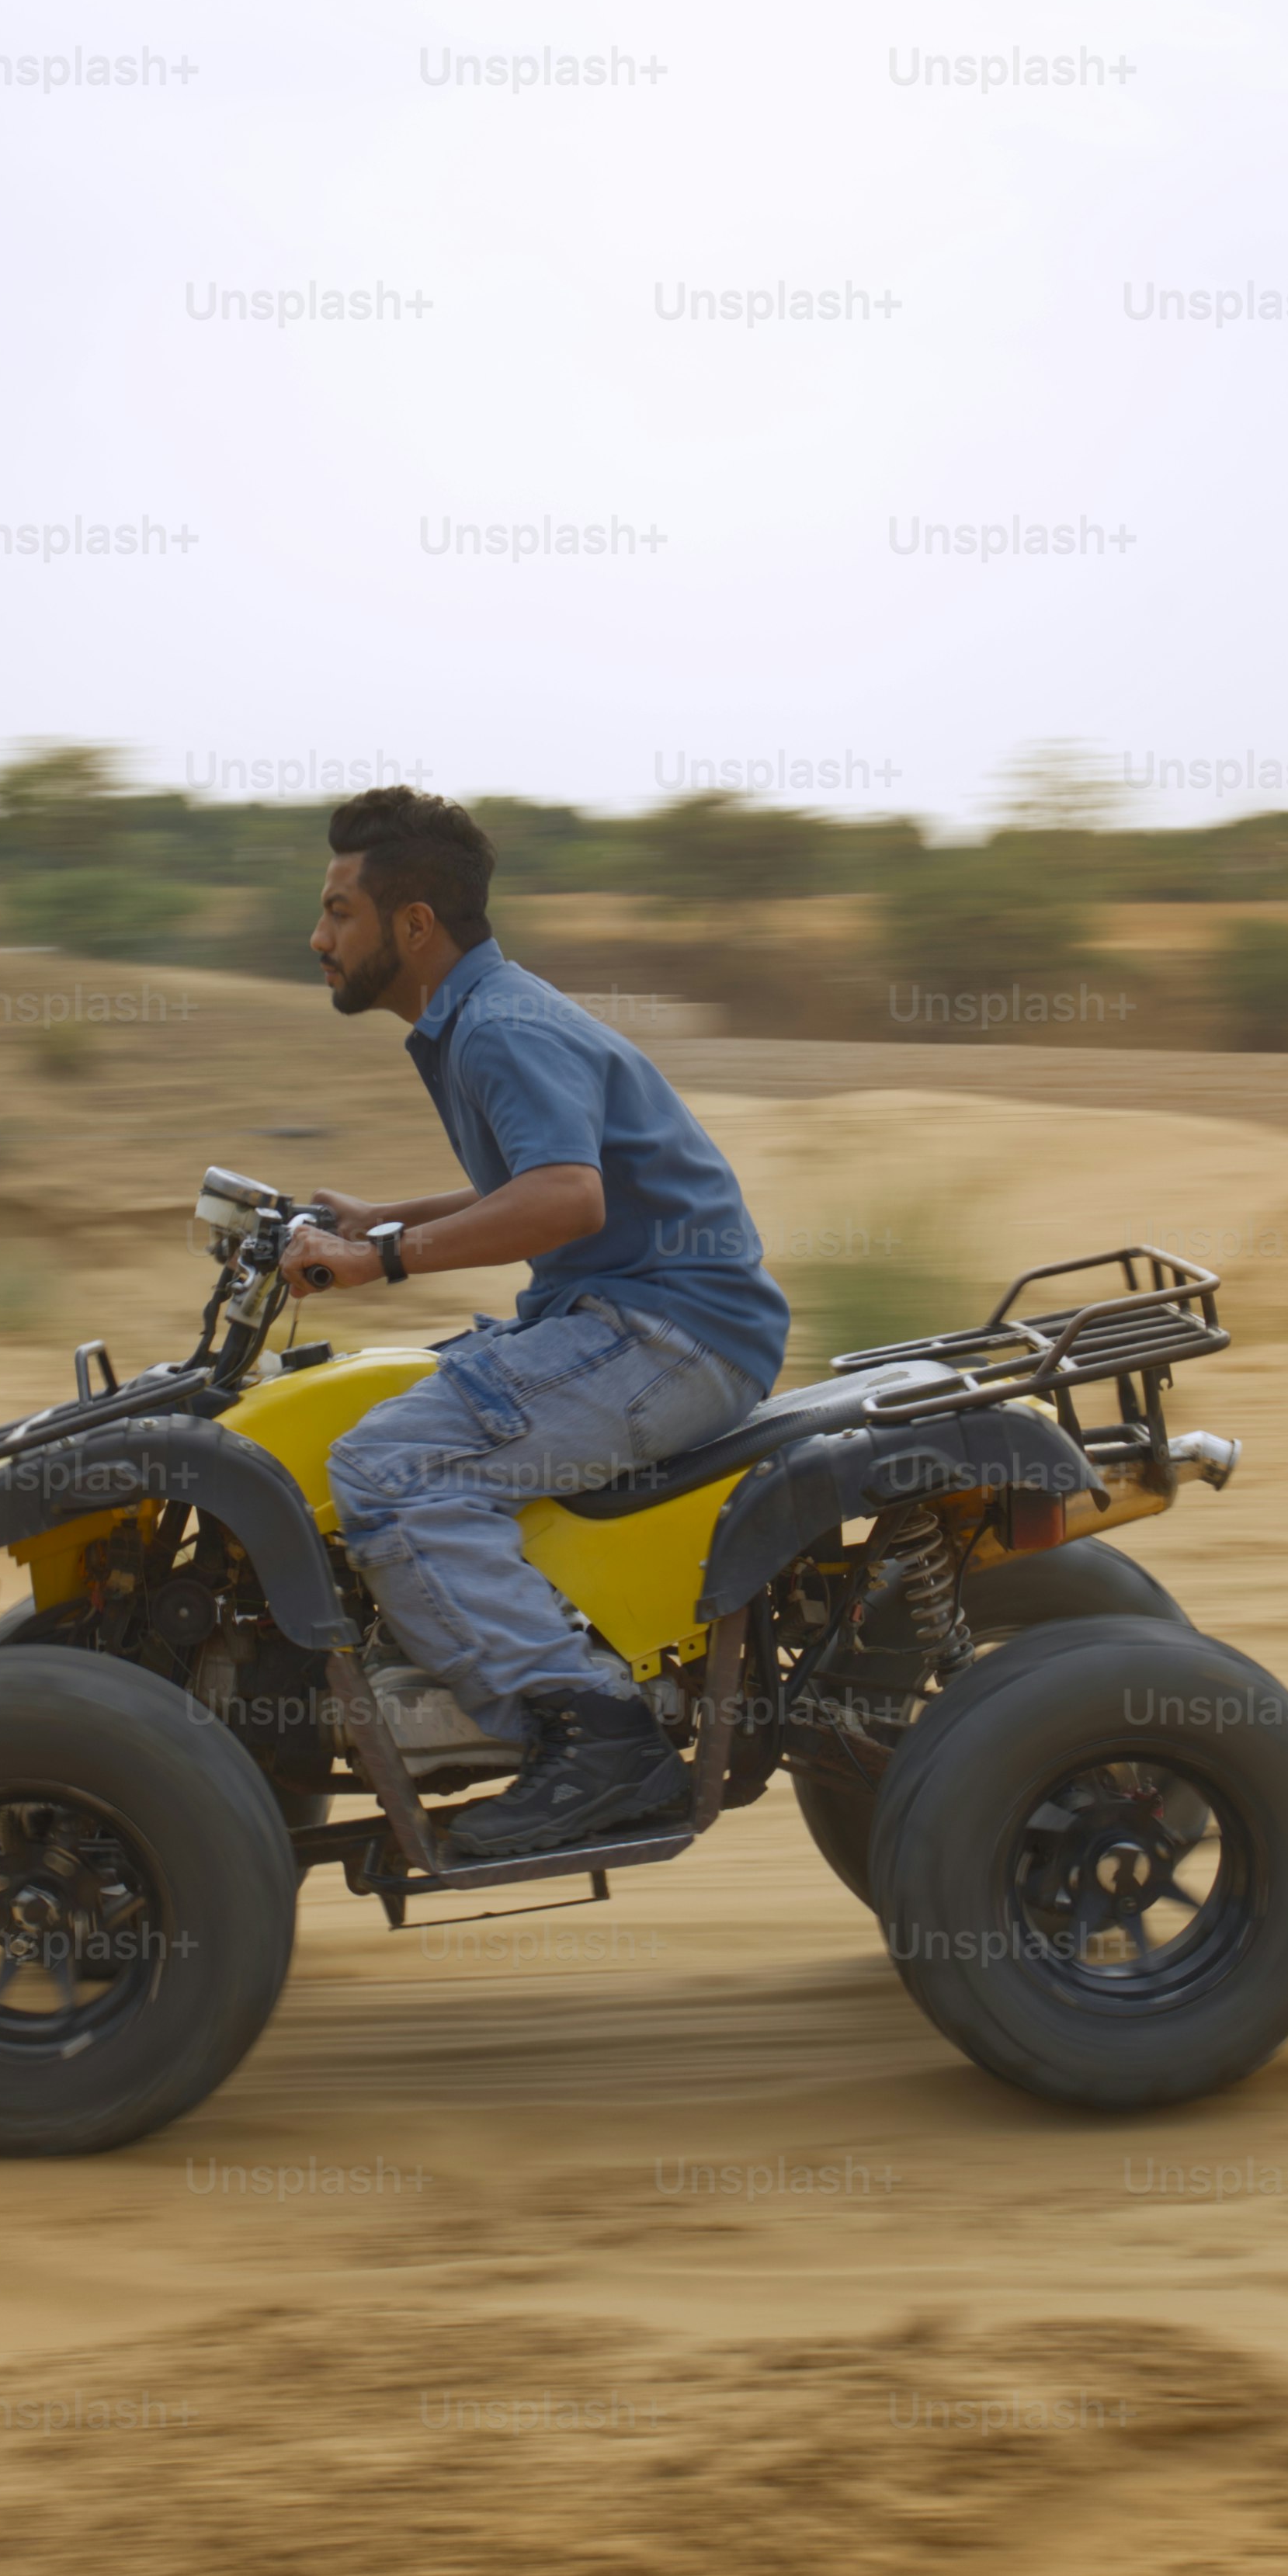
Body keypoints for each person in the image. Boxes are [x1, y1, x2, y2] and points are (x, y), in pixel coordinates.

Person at [276, 786, 792, 1858]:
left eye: (338, 913)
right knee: (399, 1425)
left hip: (666, 1331)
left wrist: (378, 1259)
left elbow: (567, 1198)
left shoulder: (498, 1029)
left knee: (386, 1467)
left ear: (412, 926)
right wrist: (384, 1216)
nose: (316, 936)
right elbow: (535, 1183)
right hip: (643, 1319)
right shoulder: (484, 1015)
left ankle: (590, 1735)